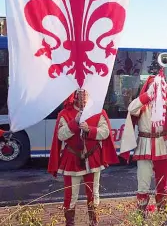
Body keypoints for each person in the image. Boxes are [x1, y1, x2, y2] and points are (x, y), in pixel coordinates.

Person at [119, 70, 167, 223]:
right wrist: (147, 95)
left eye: (156, 86)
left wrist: (165, 88)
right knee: (143, 184)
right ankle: (141, 217)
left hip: (162, 145)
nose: (154, 88)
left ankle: (163, 218)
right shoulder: (142, 103)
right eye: (151, 85)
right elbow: (131, 108)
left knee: (163, 184)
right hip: (145, 146)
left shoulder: (166, 103)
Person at [48, 90, 119, 226]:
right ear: (74, 95)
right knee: (70, 196)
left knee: (94, 193)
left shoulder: (98, 112)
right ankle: (70, 223)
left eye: (86, 92)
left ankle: (94, 222)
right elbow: (61, 135)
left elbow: (105, 132)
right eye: (80, 93)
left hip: (93, 158)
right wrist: (74, 122)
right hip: (72, 158)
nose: (83, 96)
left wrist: (89, 129)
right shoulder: (64, 114)